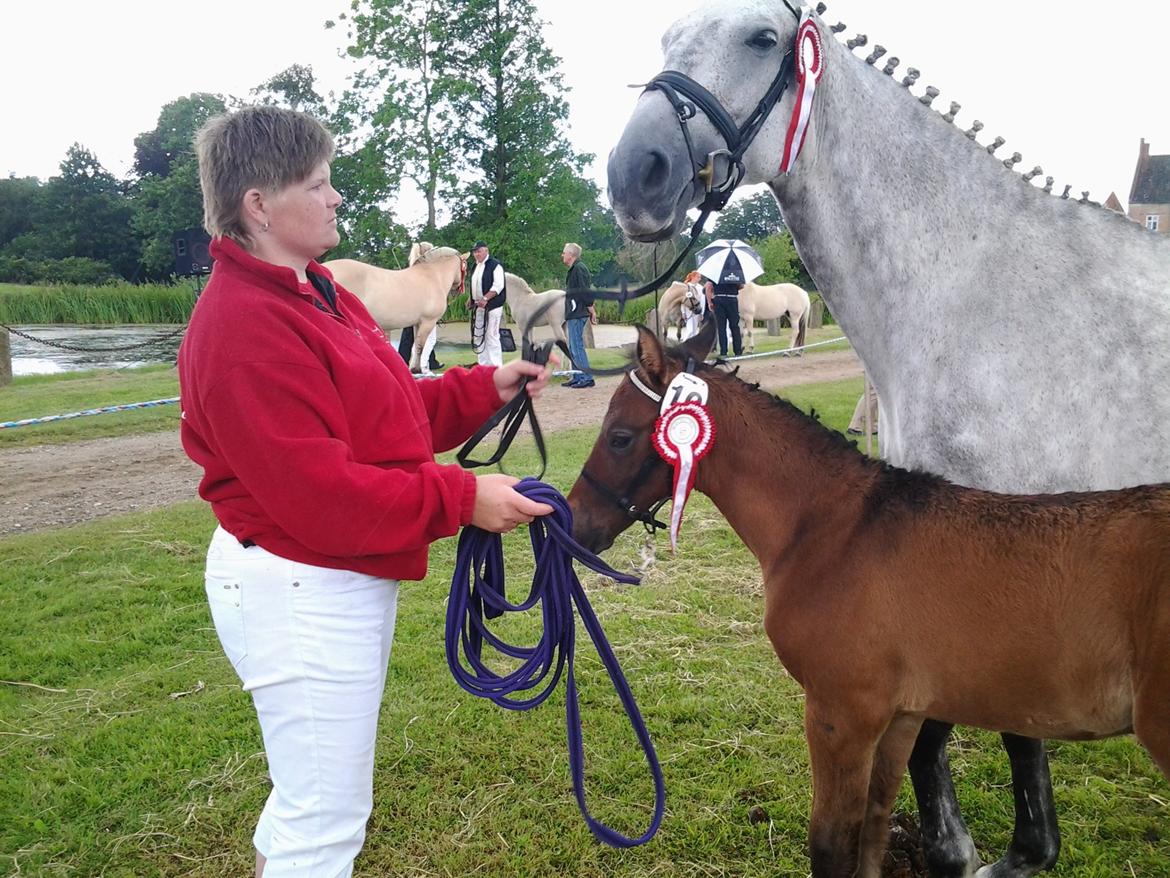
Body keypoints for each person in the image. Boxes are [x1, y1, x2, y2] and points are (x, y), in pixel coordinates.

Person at [178, 105, 554, 878]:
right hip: (299, 582)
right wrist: (461, 500)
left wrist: (487, 385)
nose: (336, 197)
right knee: (325, 820)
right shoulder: (245, 325)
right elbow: (321, 494)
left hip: (324, 575)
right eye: (318, 184)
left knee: (311, 800)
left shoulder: (316, 291)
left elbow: (385, 415)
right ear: (259, 206)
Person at [561, 242, 597, 388]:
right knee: (572, 346)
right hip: (573, 312)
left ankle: (587, 377)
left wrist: (590, 308)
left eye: (564, 252)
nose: (562, 255)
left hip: (578, 312)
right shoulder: (574, 269)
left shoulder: (579, 269)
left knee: (577, 346)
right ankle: (577, 375)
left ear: (571, 255)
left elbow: (584, 290)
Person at [469, 241, 506, 367]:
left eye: (479, 251)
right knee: (478, 335)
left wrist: (485, 298)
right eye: (475, 252)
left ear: (486, 250)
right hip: (479, 306)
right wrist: (471, 298)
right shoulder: (475, 266)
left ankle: (496, 366)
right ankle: (483, 365)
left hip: (493, 306)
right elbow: (475, 284)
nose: (476, 254)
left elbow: (498, 286)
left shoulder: (495, 265)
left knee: (492, 335)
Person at [704, 273, 744, 357]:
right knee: (735, 326)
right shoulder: (735, 271)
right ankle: (738, 351)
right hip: (732, 298)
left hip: (719, 299)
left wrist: (709, 301)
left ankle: (724, 351)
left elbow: (708, 287)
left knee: (721, 327)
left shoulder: (715, 271)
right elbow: (741, 286)